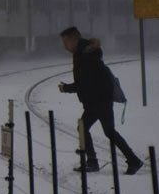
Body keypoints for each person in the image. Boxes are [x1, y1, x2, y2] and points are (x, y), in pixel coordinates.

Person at [57, 27, 143, 174]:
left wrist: (66, 88)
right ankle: (133, 160)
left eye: (66, 42)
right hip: (99, 97)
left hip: (98, 98)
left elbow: (85, 82)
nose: (65, 46)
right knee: (108, 131)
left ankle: (93, 162)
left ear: (73, 39)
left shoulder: (86, 54)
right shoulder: (83, 52)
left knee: (85, 128)